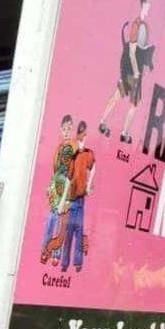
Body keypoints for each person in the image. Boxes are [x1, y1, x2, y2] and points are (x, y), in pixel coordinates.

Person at [99, 0, 153, 144]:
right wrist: (136, 72)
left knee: (129, 101)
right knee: (125, 99)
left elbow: (141, 51)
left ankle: (115, 128)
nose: (150, 5)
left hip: (135, 72)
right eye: (149, 2)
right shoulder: (137, 25)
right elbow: (131, 52)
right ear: (143, 3)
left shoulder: (145, 26)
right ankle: (111, 126)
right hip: (132, 72)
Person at [59, 121, 97, 273]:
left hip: (78, 199)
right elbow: (69, 178)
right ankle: (69, 263)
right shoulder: (77, 156)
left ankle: (73, 263)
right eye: (82, 135)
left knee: (76, 231)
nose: (83, 138)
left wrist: (88, 185)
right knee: (72, 232)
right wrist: (63, 201)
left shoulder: (88, 153)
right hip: (73, 199)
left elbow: (93, 167)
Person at [41, 114, 76, 265]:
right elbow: (55, 171)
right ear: (61, 130)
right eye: (64, 129)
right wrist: (50, 186)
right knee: (51, 221)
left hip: (67, 191)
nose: (67, 131)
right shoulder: (59, 148)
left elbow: (72, 173)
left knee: (61, 224)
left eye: (69, 128)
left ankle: (56, 254)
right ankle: (45, 251)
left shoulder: (74, 149)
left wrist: (66, 198)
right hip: (56, 188)